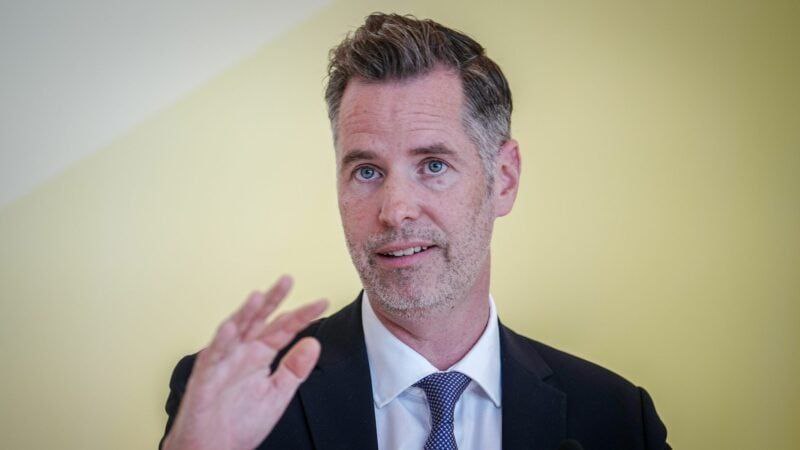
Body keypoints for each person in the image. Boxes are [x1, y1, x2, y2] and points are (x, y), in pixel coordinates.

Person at [160, 13, 670, 450]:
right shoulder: (232, 404)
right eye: (366, 171)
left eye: (433, 165)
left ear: (504, 179)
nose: (395, 211)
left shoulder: (617, 418)